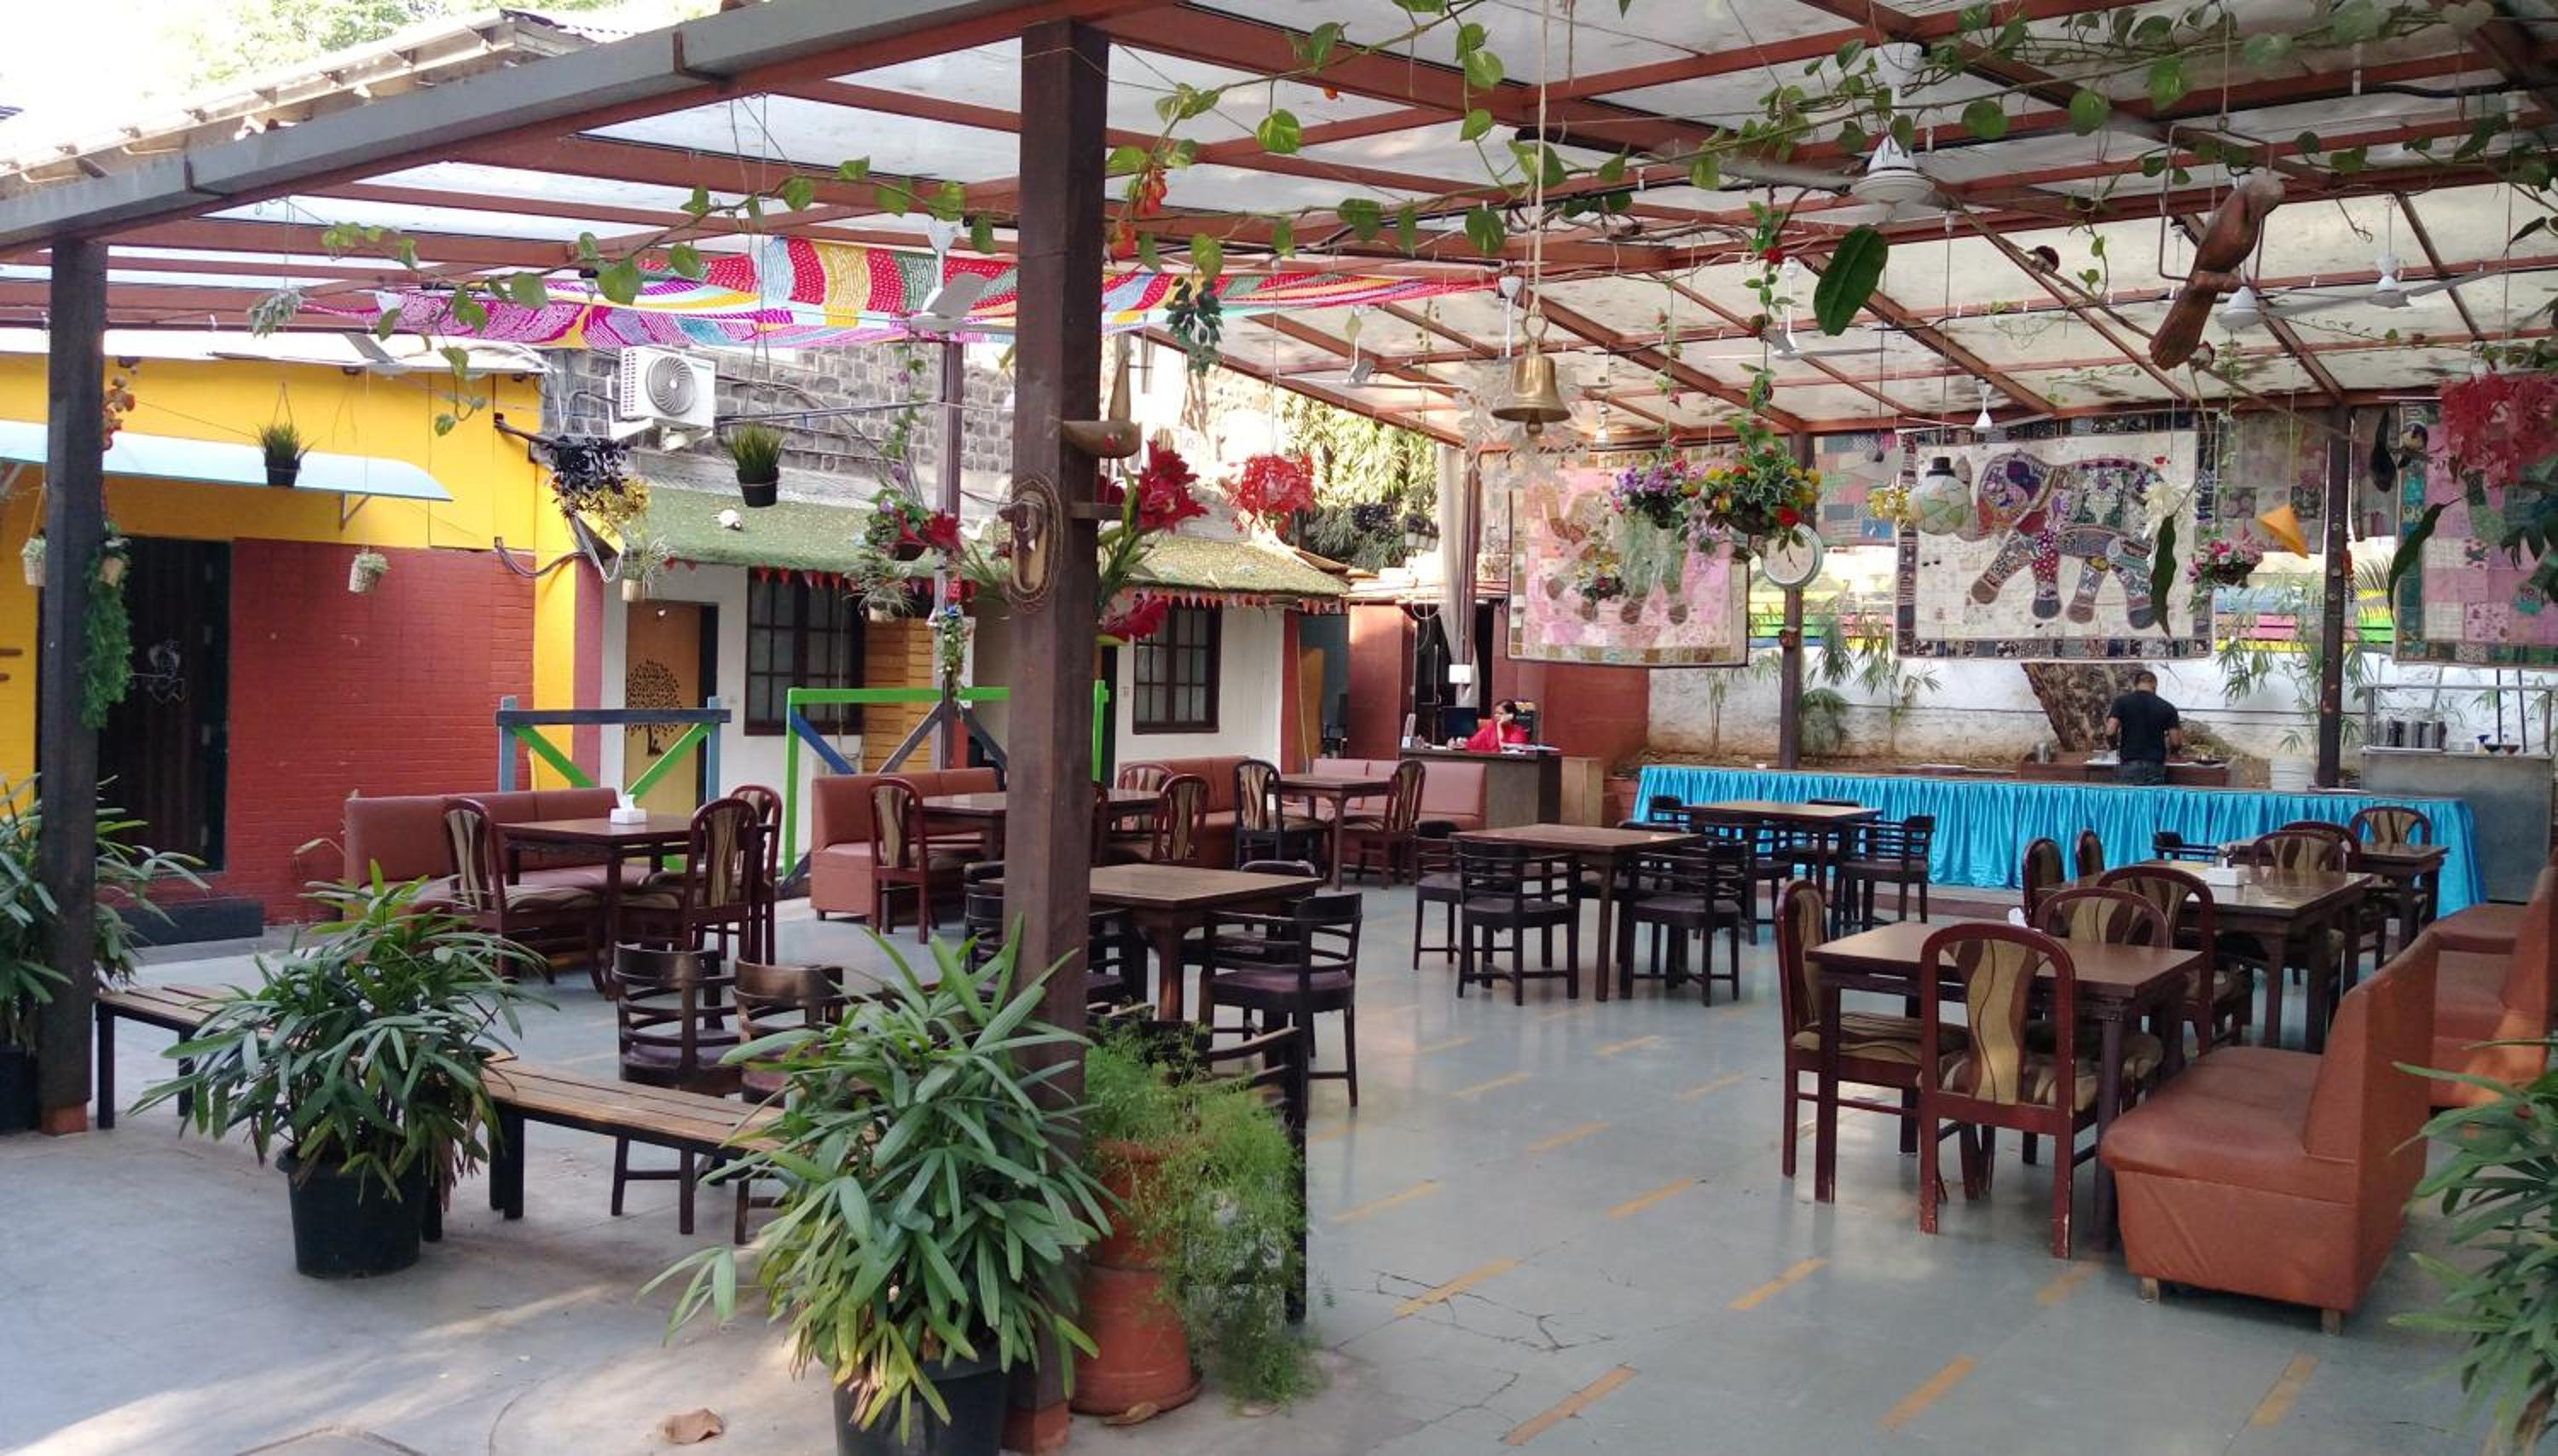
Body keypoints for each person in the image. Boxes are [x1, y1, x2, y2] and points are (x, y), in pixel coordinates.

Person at [2105, 669, 2184, 786]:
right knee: (2151, 798)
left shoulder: (2121, 702)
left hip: (2129, 763)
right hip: (2155, 766)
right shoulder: (2168, 707)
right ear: (2154, 684)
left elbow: (2110, 731)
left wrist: (2113, 746)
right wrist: (2174, 752)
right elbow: (2176, 741)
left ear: (2135, 684)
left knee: (2127, 797)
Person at [1456, 699, 1531, 752]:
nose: (1496, 716)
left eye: (1501, 714)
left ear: (1511, 715)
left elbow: (1503, 748)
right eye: (1496, 713)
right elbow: (1472, 743)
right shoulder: (1490, 729)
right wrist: (1461, 742)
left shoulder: (1518, 732)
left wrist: (1499, 726)